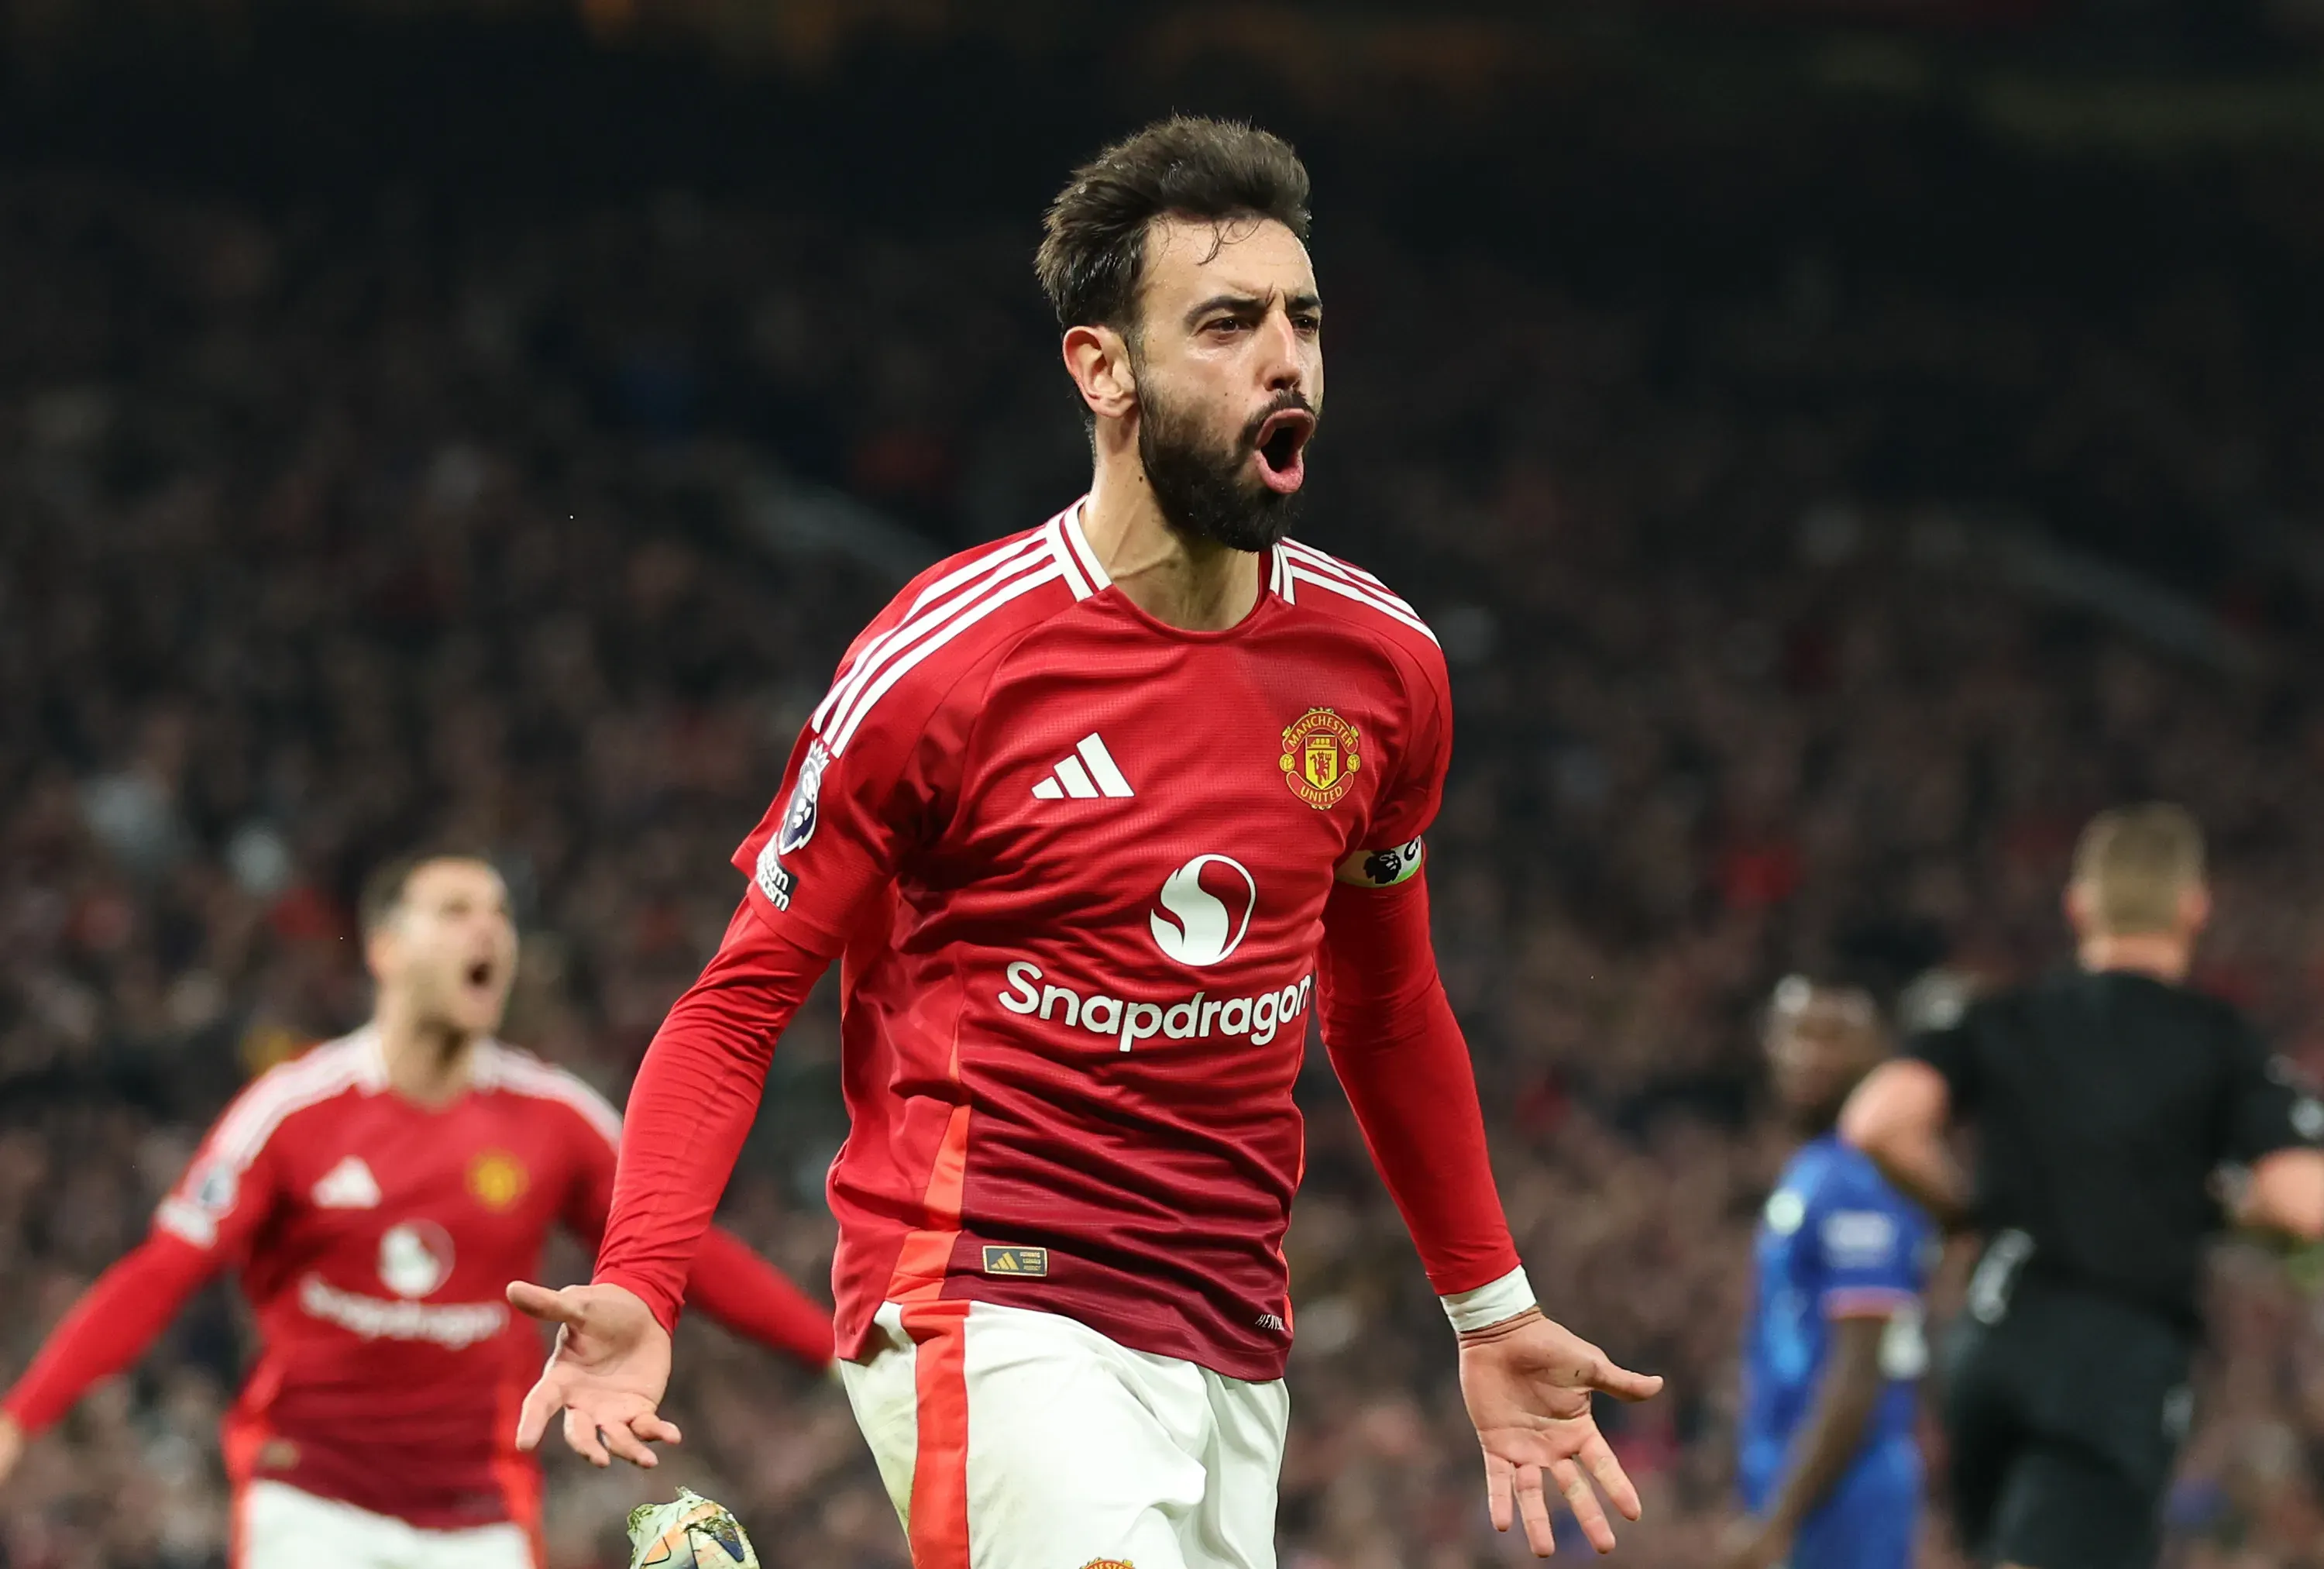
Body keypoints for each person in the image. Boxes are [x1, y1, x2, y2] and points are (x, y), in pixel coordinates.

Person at [507, 115, 1662, 1569]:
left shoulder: (1384, 668)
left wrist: (1490, 1310)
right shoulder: (945, 664)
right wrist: (641, 1277)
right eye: (1230, 324)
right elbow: (741, 1001)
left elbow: (1382, 1003)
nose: (1287, 359)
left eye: (1304, 320)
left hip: (1232, 1331)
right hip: (984, 1287)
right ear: (1102, 369)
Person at [0, 854, 834, 1569]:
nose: (488, 932)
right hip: (311, 1502)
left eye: (500, 914)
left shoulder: (556, 1119)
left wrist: (832, 1351)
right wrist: (19, 1418)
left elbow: (685, 1252)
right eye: (455, 910)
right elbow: (160, 1274)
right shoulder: (293, 1111)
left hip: (483, 1518)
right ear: (385, 946)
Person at [1841, 803, 2324, 1569]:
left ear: (2079, 906)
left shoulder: (2008, 1015)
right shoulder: (2219, 1041)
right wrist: (2232, 1210)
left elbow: (1879, 1122)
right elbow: (2305, 1201)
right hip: (2112, 1361)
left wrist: (1966, 1212)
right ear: (2195, 907)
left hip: (1988, 1347)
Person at [1724, 977, 1934, 1569]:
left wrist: (1778, 1520)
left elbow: (1857, 1370)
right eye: (1795, 1032)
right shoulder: (1815, 1168)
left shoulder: (1861, 1178)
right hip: (1802, 1477)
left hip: (1847, 1493)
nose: (1808, 1053)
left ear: (1875, 1053)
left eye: (1834, 1035)